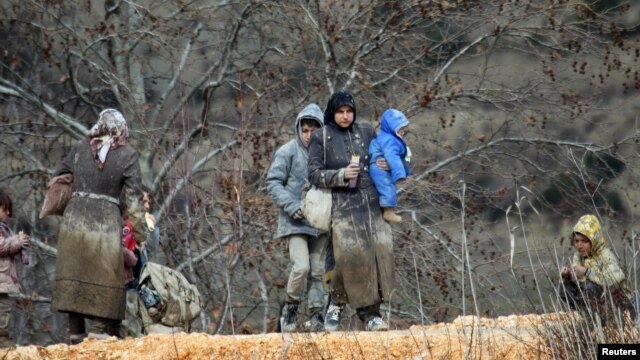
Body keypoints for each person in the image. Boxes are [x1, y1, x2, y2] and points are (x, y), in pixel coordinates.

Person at [51, 108, 146, 343]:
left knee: (75, 277)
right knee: (103, 280)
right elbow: (135, 201)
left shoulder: (80, 148)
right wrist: (140, 234)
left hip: (73, 222)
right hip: (104, 226)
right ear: (121, 130)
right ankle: (98, 339)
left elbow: (57, 176)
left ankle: (75, 339)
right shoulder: (127, 155)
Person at [308, 91, 394, 332]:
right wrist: (341, 175)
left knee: (377, 256)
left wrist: (385, 162)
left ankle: (372, 314)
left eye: (349, 111)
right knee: (346, 259)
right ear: (332, 113)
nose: (345, 116)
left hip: (371, 203)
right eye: (340, 112)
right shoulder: (320, 137)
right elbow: (313, 174)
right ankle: (335, 304)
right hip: (341, 205)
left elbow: (379, 155)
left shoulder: (366, 130)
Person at [266, 103, 328, 332]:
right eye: (305, 129)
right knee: (301, 266)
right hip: (295, 222)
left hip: (320, 222)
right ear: (299, 129)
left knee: (317, 270)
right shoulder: (288, 151)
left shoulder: (328, 154)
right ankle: (290, 307)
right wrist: (291, 206)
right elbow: (272, 182)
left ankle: (316, 315)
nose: (309, 134)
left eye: (314, 129)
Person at [558, 214, 636, 323]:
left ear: (594, 239)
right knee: (565, 289)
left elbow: (614, 280)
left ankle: (612, 319)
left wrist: (587, 272)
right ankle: (591, 317)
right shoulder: (578, 256)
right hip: (595, 301)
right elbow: (579, 282)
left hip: (617, 301)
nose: (579, 245)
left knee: (589, 286)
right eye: (576, 241)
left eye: (584, 241)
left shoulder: (605, 255)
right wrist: (568, 276)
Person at [369, 108, 411, 223]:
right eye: (400, 129)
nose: (402, 132)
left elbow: (403, 159)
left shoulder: (389, 137)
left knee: (386, 185)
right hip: (378, 166)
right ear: (392, 128)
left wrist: (403, 168)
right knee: (387, 185)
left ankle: (387, 208)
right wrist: (399, 174)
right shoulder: (389, 140)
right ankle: (388, 211)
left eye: (403, 129)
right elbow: (392, 156)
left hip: (377, 165)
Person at [0, 189, 30, 347]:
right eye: (5, 209)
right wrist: (17, 241)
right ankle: (2, 341)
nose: (8, 213)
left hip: (3, 283)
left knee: (5, 310)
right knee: (2, 312)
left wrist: (20, 243)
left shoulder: (3, 227)